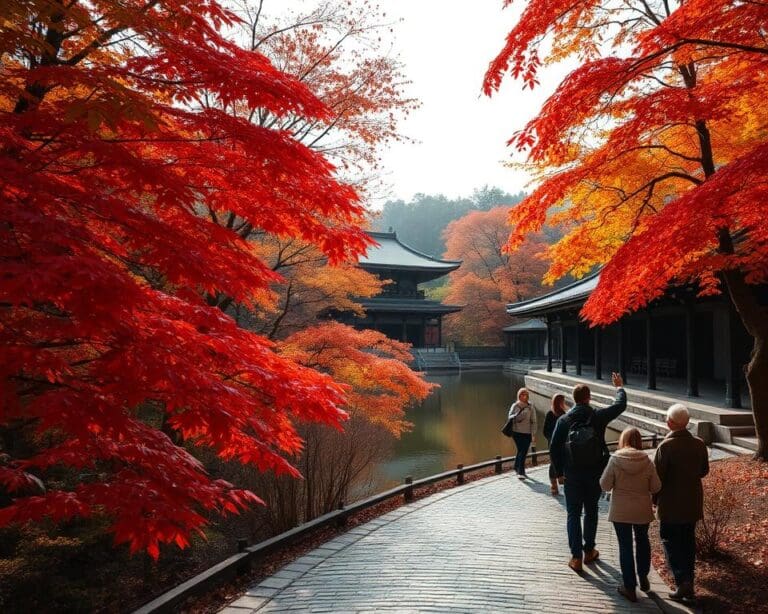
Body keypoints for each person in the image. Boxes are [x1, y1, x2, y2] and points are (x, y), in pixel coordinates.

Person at [550, 372, 626, 572]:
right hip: (595, 472)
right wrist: (619, 387)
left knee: (573, 513)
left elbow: (554, 448)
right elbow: (620, 406)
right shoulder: (597, 417)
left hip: (572, 474)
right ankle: (589, 550)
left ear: (573, 399)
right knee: (591, 511)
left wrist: (559, 473)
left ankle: (575, 558)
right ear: (588, 398)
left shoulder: (564, 420)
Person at [653, 403, 709, 601]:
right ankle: (689, 582)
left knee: (670, 542)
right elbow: (704, 471)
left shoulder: (665, 447)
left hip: (670, 505)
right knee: (688, 543)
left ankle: (682, 582)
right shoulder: (699, 444)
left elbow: (656, 479)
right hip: (692, 503)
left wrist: (653, 500)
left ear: (670, 422)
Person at [600, 427, 661, 602]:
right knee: (642, 540)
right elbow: (656, 487)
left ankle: (629, 587)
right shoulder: (647, 461)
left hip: (621, 510)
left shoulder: (615, 460)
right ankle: (643, 576)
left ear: (622, 440)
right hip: (642, 509)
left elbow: (604, 485)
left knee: (625, 546)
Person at [508, 387, 537, 479]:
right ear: (519, 395)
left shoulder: (530, 406)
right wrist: (520, 415)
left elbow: (534, 421)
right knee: (522, 451)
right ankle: (521, 471)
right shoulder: (515, 405)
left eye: (525, 394)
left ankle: (516, 467)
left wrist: (533, 433)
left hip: (527, 432)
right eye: (522, 394)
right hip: (517, 432)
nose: (524, 396)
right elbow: (510, 417)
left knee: (522, 451)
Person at [544, 393, 567, 495]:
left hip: (562, 443)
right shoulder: (550, 414)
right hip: (553, 442)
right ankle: (554, 484)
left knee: (562, 460)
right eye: (563, 401)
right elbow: (545, 430)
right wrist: (551, 438)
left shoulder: (563, 414)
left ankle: (561, 478)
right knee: (553, 463)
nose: (564, 403)